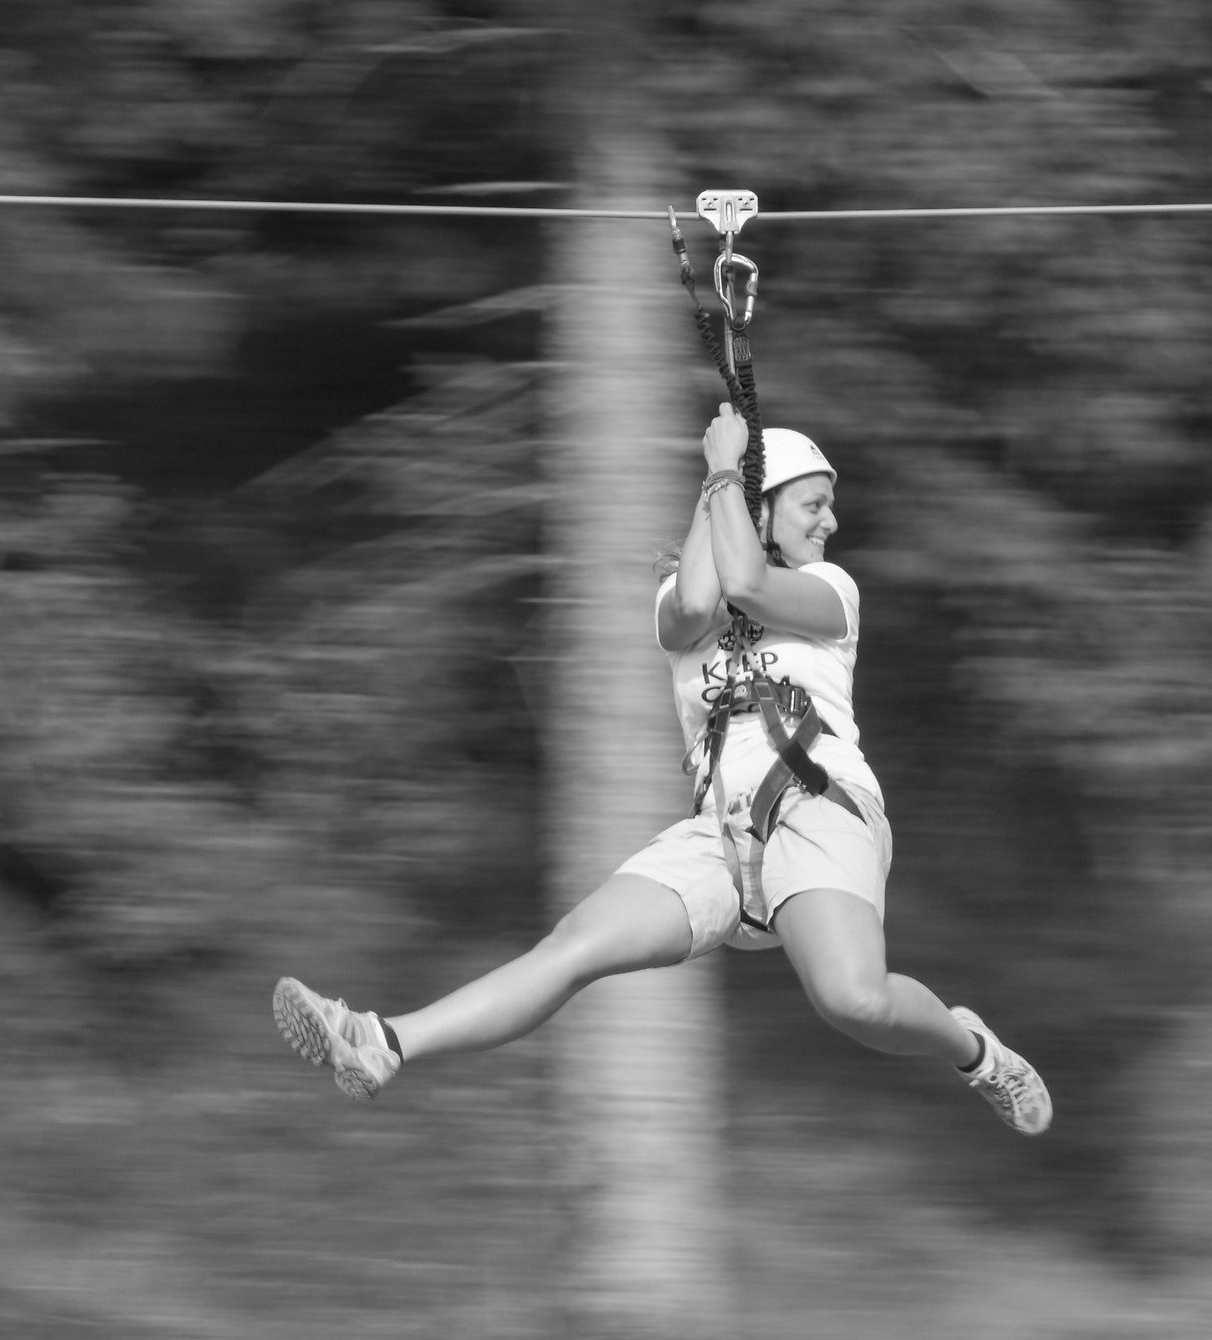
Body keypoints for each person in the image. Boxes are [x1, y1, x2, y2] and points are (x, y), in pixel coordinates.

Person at [272, 406, 1052, 1135]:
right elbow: (704, 596)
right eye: (812, 504)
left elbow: (747, 583)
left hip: (817, 802)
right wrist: (724, 480)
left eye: (828, 506)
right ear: (762, 511)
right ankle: (382, 1041)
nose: (831, 521)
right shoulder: (676, 608)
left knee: (853, 999)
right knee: (572, 947)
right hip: (719, 832)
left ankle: (972, 1049)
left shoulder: (831, 591)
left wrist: (725, 471)